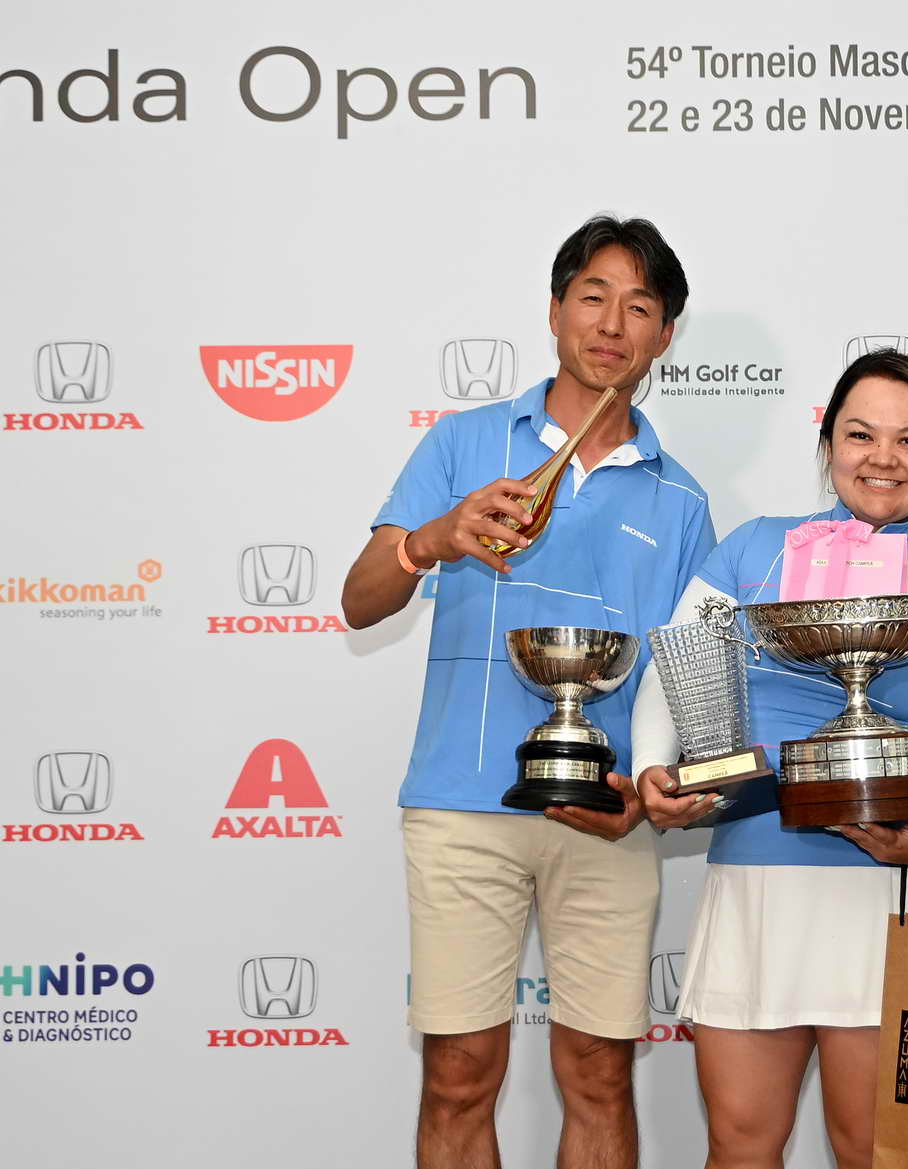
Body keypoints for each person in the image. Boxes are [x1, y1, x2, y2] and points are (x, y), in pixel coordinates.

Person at [342, 215, 715, 1169]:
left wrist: (647, 795)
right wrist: (434, 538)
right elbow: (359, 600)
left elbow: (694, 681)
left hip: (605, 816)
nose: (612, 324)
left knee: (598, 1074)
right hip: (462, 805)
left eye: (640, 307)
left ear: (665, 336)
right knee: (459, 1074)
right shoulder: (466, 443)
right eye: (593, 296)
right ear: (554, 311)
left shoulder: (682, 499)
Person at [632, 350, 908, 1169]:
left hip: (895, 894)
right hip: (758, 885)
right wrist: (653, 769)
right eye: (861, 434)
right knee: (739, 1144)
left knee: (888, 1153)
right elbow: (675, 671)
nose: (884, 457)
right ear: (828, 445)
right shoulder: (752, 552)